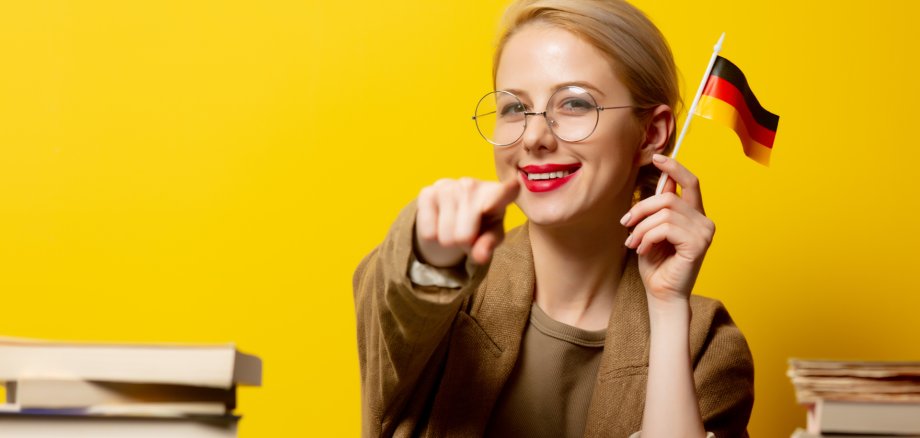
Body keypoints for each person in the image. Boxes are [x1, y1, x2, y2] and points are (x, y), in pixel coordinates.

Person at [353, 0, 754, 436]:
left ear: (650, 134)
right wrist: (431, 248)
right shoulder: (447, 299)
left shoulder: (707, 346)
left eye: (575, 104)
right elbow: (398, 298)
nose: (535, 137)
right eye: (514, 108)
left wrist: (668, 312)